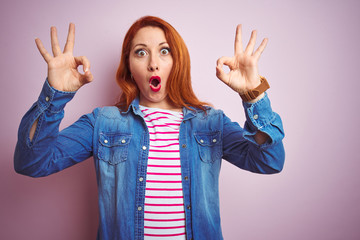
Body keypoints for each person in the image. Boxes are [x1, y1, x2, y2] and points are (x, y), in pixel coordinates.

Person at [14, 16, 285, 240]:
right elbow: (32, 162)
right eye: (141, 52)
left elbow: (270, 161)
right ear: (130, 67)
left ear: (177, 62)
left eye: (164, 51)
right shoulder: (103, 122)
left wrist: (253, 94)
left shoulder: (210, 122)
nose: (153, 62)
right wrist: (55, 95)